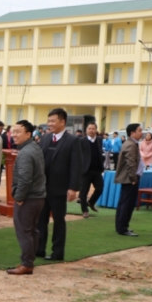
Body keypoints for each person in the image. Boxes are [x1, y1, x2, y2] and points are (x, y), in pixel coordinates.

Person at [36, 108, 83, 261]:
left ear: (62, 122)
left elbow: (76, 166)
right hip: (43, 188)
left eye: (53, 121)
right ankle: (39, 248)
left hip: (60, 188)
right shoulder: (45, 138)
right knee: (40, 219)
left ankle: (57, 252)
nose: (50, 124)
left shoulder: (72, 140)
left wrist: (73, 188)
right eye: (48, 121)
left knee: (58, 220)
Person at [7, 120, 46, 275]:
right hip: (37, 197)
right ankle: (28, 261)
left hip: (29, 198)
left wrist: (19, 197)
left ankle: (27, 264)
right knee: (32, 231)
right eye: (13, 131)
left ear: (28, 134)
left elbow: (25, 179)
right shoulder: (34, 148)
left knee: (25, 231)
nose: (14, 135)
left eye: (18, 132)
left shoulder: (26, 152)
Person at [114, 123, 143, 237]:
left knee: (124, 203)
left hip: (129, 178)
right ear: (132, 133)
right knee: (127, 204)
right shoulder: (131, 145)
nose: (142, 133)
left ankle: (121, 226)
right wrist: (133, 178)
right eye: (140, 131)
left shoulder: (131, 143)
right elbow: (131, 163)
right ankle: (122, 228)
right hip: (130, 179)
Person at [79, 122, 104, 218]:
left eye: (93, 129)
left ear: (96, 130)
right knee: (84, 191)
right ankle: (84, 210)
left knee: (100, 188)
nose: (91, 130)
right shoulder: (81, 140)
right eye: (89, 128)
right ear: (86, 130)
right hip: (85, 170)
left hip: (97, 169)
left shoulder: (99, 140)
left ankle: (91, 202)